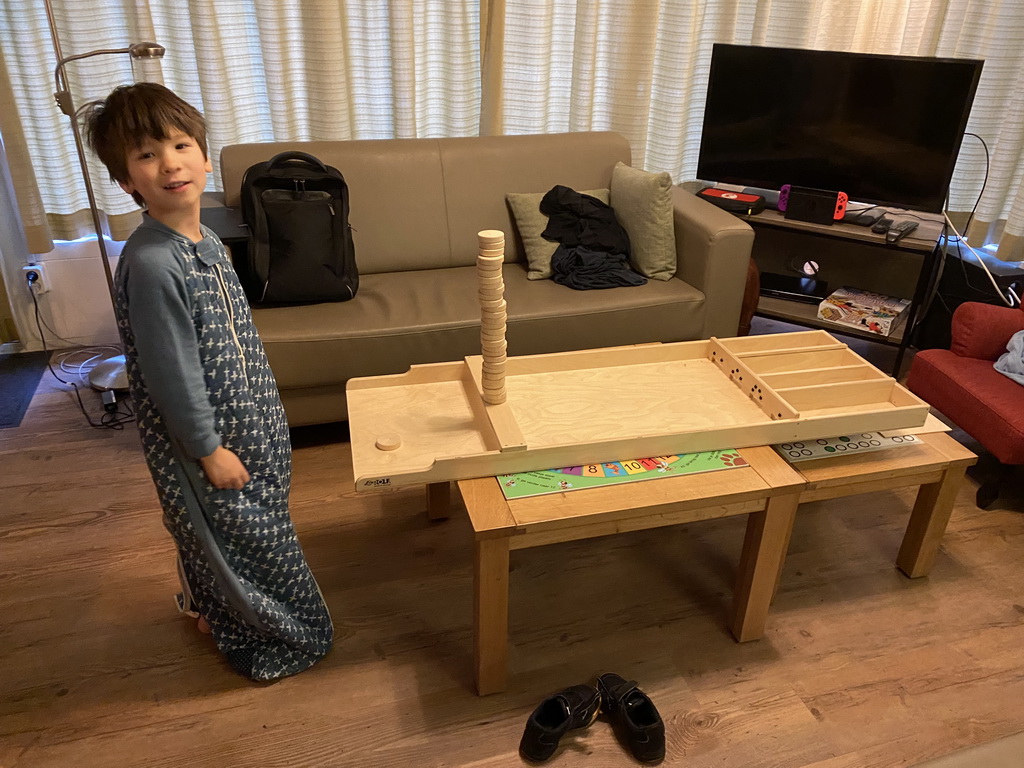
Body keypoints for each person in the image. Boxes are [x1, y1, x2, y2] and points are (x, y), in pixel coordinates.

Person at [85, 83, 333, 681]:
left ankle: (207, 602)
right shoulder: (152, 263)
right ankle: (282, 635)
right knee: (247, 543)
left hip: (249, 426)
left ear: (202, 154)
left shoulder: (208, 242)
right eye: (147, 155)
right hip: (208, 444)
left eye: (180, 145)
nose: (170, 163)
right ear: (126, 181)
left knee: (231, 534)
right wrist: (206, 449)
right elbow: (172, 373)